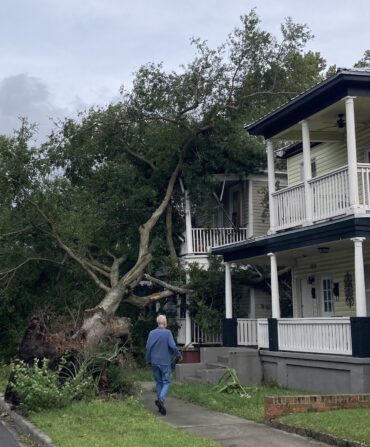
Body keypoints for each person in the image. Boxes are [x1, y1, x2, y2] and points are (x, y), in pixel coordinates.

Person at [146, 314, 182, 415]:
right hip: (164, 362)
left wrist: (148, 359)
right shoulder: (167, 333)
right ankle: (161, 400)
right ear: (165, 323)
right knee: (166, 381)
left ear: (158, 323)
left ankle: (160, 405)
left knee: (158, 382)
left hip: (154, 361)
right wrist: (178, 355)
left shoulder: (152, 333)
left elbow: (148, 347)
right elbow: (173, 346)